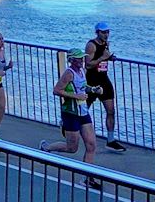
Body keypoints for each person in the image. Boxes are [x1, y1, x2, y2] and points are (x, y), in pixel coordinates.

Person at [41, 49, 102, 189]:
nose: (81, 61)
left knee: (91, 145)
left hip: (83, 112)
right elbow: (56, 90)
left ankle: (87, 178)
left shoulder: (82, 71)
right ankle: (47, 148)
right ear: (72, 60)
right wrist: (76, 97)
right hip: (71, 113)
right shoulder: (68, 73)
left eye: (82, 58)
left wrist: (93, 90)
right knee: (72, 148)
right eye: (79, 59)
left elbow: (82, 87)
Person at [85, 22, 127, 152]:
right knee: (83, 109)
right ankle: (68, 125)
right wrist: (102, 57)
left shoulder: (106, 44)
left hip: (104, 79)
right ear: (97, 32)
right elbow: (88, 65)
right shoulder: (91, 45)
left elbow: (103, 59)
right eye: (103, 32)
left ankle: (110, 140)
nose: (106, 34)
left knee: (111, 111)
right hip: (91, 81)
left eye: (107, 32)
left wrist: (109, 58)